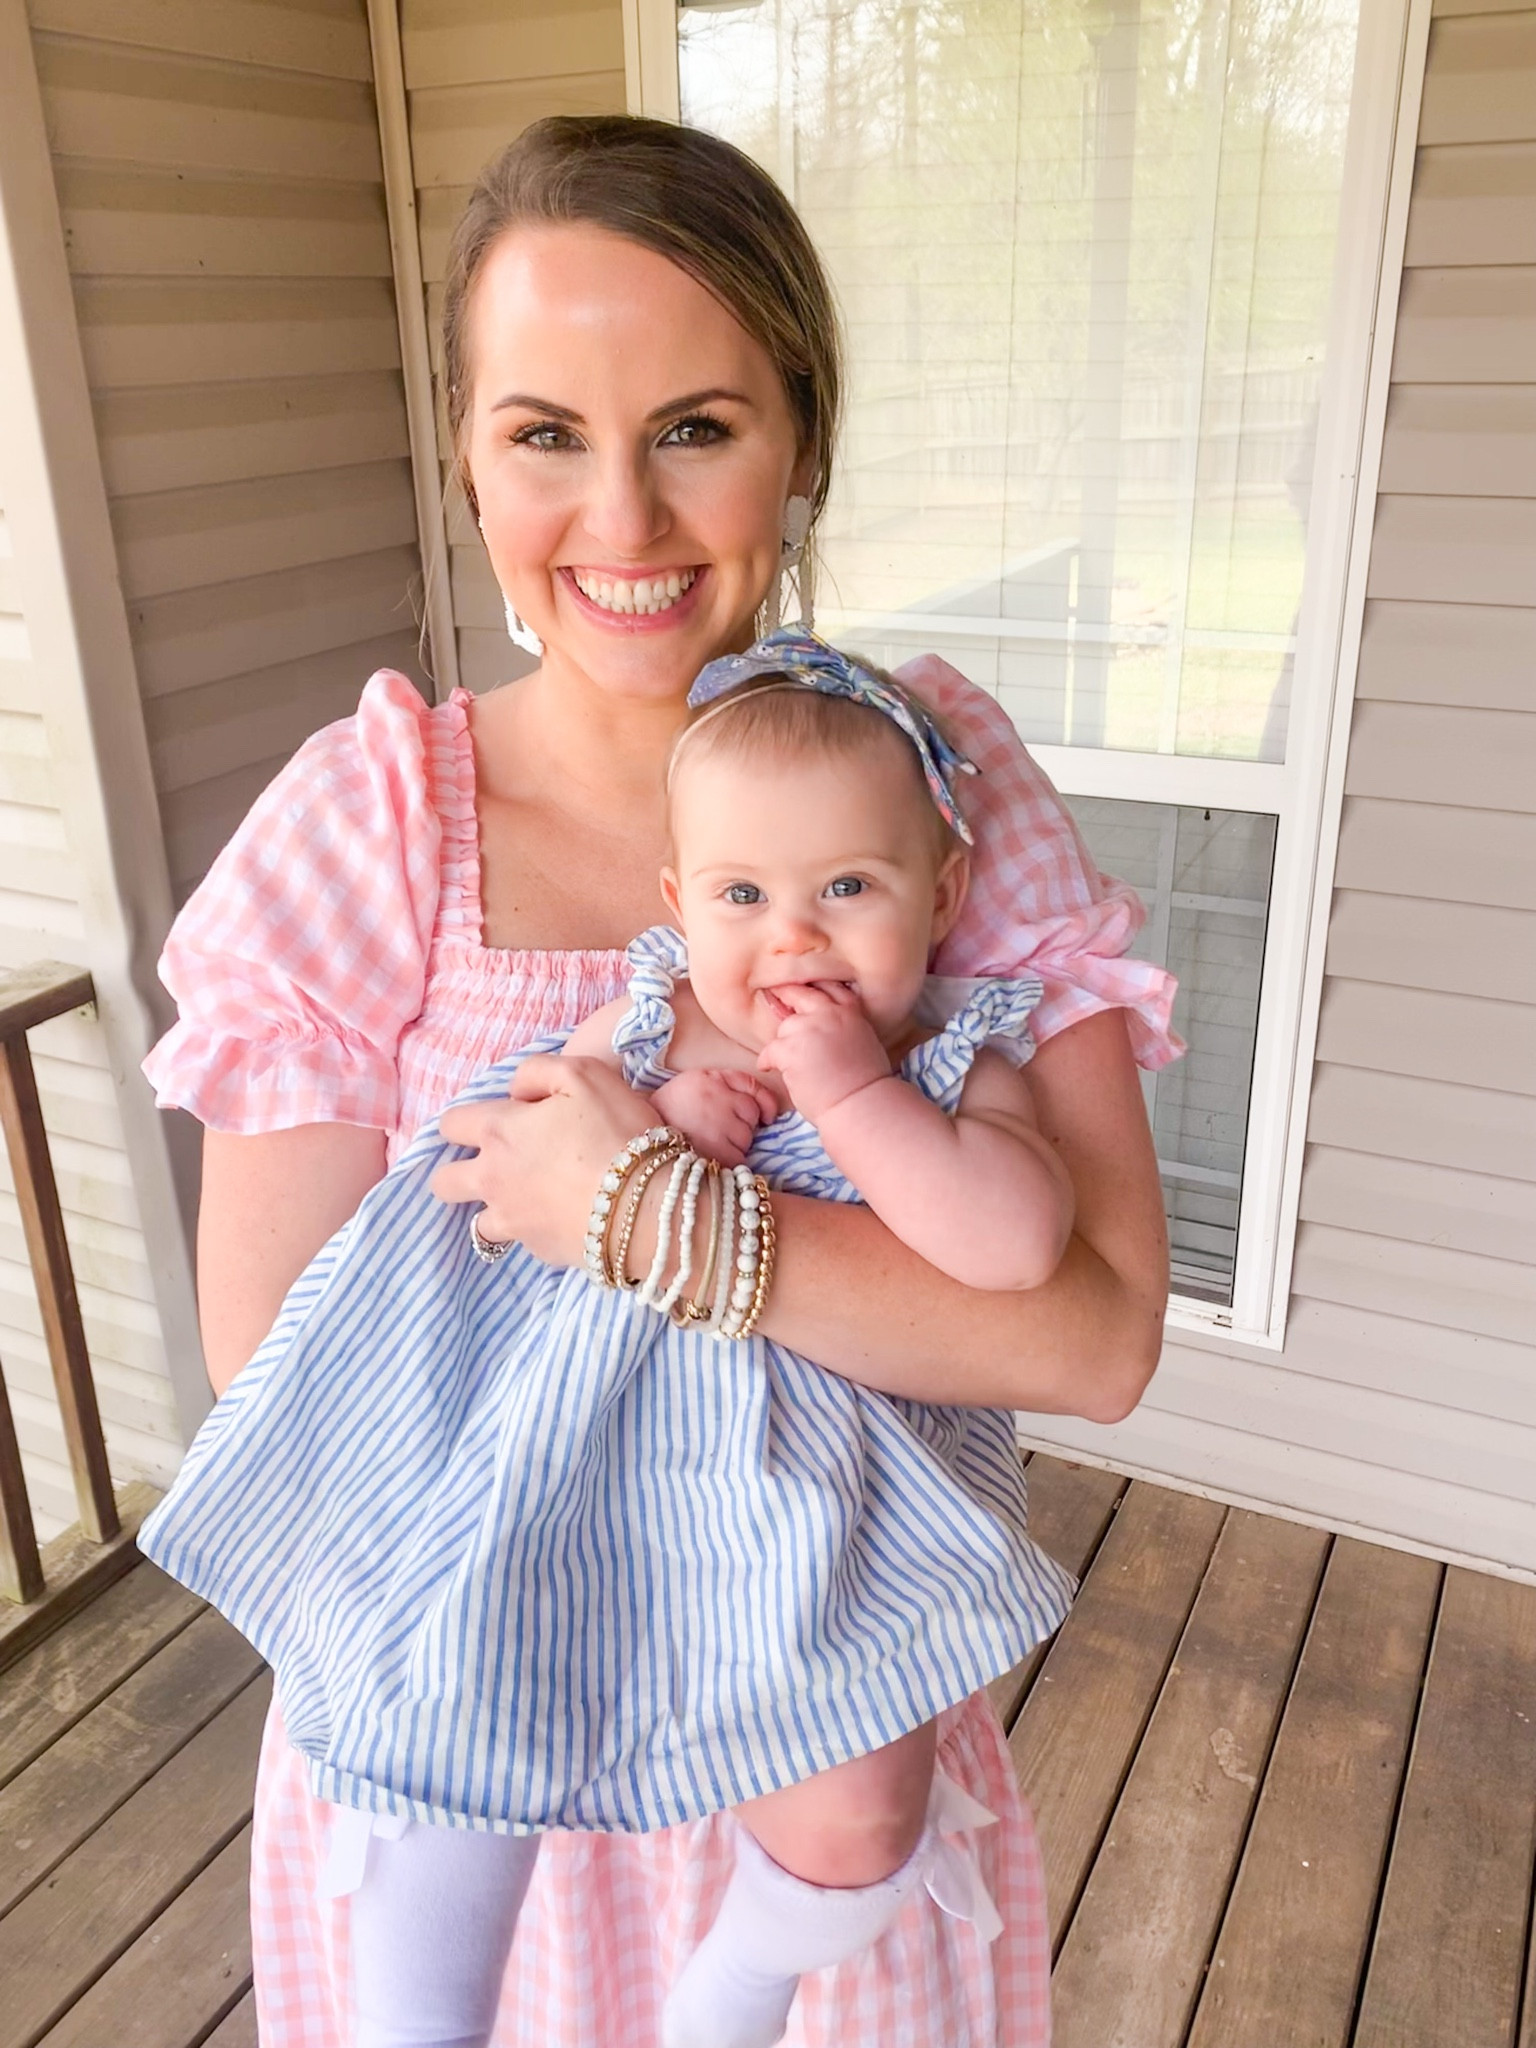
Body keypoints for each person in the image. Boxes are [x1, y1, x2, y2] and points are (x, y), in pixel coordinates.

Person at [143, 115, 1176, 2048]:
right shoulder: (370, 819)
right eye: (546, 434)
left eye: (696, 425)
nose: (621, 520)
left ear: (801, 438)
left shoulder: (929, 785)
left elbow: (1092, 1336)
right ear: (466, 453)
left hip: (810, 1723)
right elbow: (291, 1360)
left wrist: (648, 1216)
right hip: (477, 1740)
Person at [143, 632, 1087, 2048]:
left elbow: (1013, 1249)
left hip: (805, 1526)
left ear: (941, 893)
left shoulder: (961, 1061)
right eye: (744, 895)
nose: (795, 939)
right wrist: (643, 1123)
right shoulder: (649, 1015)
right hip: (568, 1468)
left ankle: (738, 1992)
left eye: (850, 889)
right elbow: (509, 1146)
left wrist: (851, 1101)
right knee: (458, 1724)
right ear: (678, 902)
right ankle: (419, 2022)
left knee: (860, 1802)